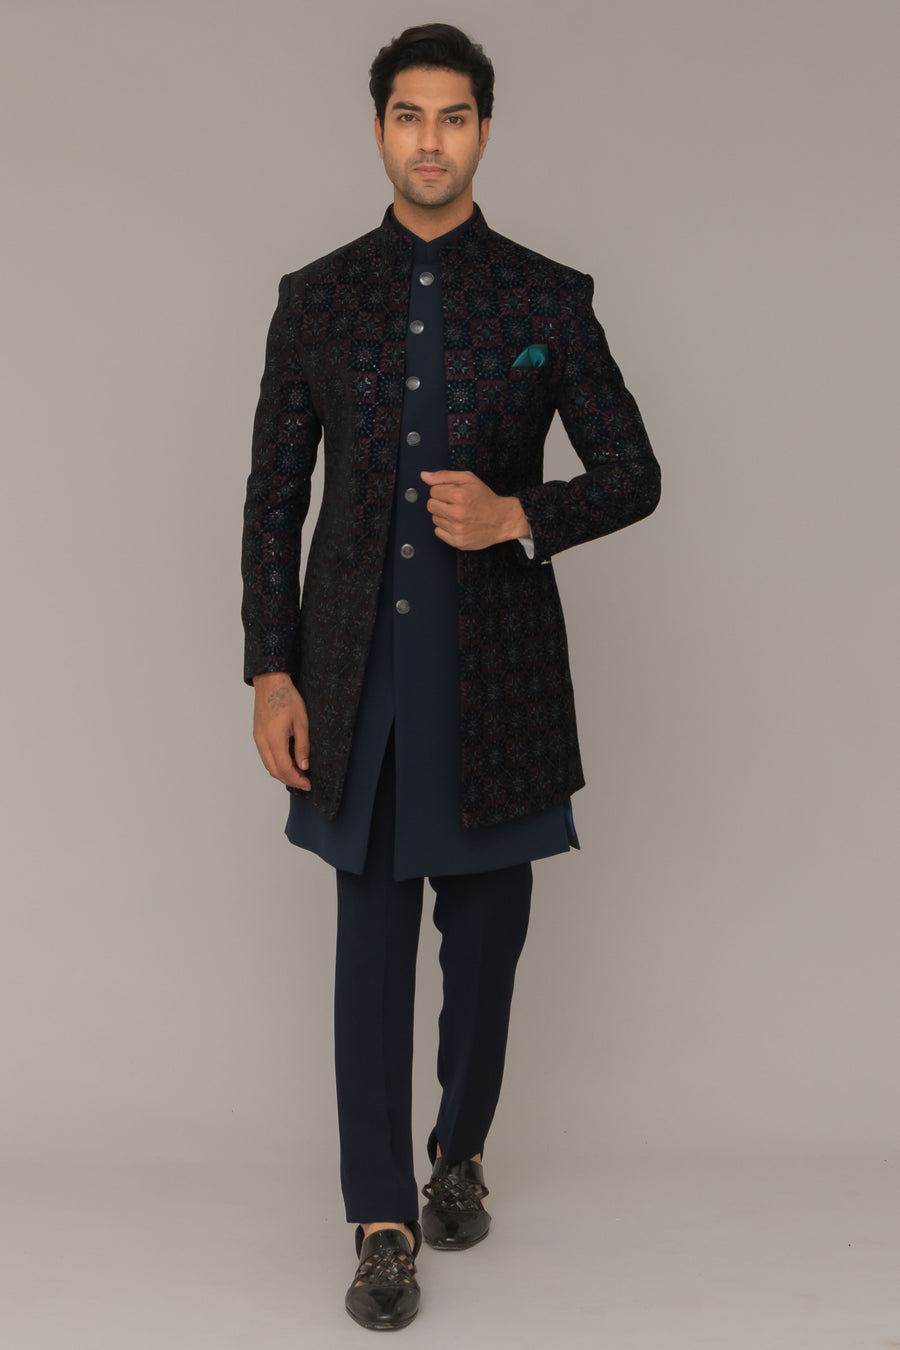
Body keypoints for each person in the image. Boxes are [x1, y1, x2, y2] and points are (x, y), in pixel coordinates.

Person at [241, 22, 660, 1332]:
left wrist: (522, 512)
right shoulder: (317, 298)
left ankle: (459, 1149)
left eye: (455, 116)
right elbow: (274, 500)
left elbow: (634, 471)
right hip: (355, 680)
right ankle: (381, 1217)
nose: (431, 140)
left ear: (484, 130)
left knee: (485, 951)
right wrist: (270, 669)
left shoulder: (546, 300)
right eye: (409, 116)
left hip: (499, 687)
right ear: (380, 130)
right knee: (369, 950)